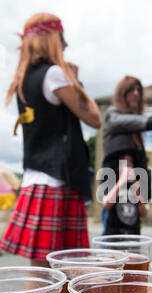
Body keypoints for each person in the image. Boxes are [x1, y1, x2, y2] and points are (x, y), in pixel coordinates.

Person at [0, 13, 102, 266]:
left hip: (36, 177)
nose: (65, 45)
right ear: (51, 40)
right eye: (62, 38)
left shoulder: (24, 77)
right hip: (57, 179)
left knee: (41, 269)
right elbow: (95, 119)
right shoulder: (55, 74)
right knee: (61, 270)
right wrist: (76, 82)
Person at [100, 75, 152, 235]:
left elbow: (143, 210)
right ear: (122, 93)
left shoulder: (136, 130)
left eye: (138, 90)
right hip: (113, 194)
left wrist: (140, 187)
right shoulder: (113, 115)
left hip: (132, 197)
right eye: (131, 90)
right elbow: (117, 121)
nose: (136, 93)